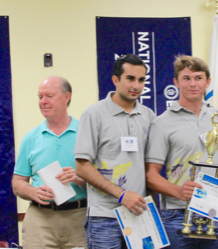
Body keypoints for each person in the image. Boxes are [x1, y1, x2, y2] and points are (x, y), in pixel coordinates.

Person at [145, 55, 218, 248]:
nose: (193, 84)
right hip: (177, 215)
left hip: (215, 213)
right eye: (186, 78)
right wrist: (178, 191)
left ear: (208, 82)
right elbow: (151, 176)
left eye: (198, 78)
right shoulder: (162, 123)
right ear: (176, 82)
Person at [75, 54, 156, 249]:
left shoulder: (149, 116)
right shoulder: (94, 114)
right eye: (130, 78)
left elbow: (152, 166)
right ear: (115, 80)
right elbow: (82, 167)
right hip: (104, 216)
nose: (136, 85)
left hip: (140, 213)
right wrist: (121, 195)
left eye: (141, 80)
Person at [12, 76, 87, 248]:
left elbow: (103, 180)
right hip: (40, 220)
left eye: (49, 96)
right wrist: (33, 192)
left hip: (80, 218)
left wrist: (80, 178)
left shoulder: (86, 133)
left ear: (66, 97)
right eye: (40, 97)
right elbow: (18, 183)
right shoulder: (31, 138)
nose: (43, 102)